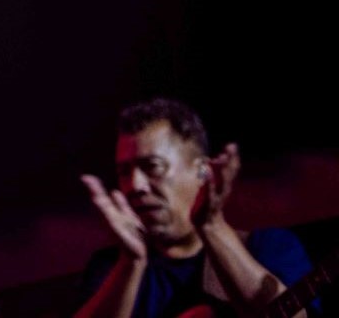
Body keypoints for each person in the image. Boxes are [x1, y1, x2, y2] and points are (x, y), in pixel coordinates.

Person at [75, 97, 319, 318]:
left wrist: (211, 226)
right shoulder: (109, 268)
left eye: (152, 166)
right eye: (124, 172)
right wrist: (131, 262)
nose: (135, 185)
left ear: (202, 171)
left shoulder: (269, 247)